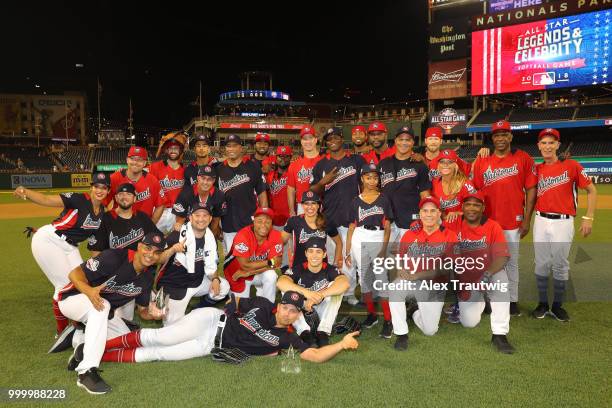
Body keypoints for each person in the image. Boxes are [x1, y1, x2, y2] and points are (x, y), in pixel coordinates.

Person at [57, 232, 183, 394]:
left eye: (157, 252)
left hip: (102, 312)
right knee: (103, 306)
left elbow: (143, 312)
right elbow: (74, 274)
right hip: (72, 298)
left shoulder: (145, 279)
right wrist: (90, 291)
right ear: (139, 246)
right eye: (147, 248)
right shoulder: (114, 257)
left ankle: (81, 346)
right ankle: (86, 372)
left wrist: (153, 314)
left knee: (125, 339)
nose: (151, 254)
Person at [97, 291, 359, 365]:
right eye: (285, 307)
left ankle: (101, 356)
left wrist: (341, 344)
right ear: (279, 305)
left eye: (294, 311)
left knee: (159, 354)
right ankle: (97, 348)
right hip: (210, 321)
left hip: (209, 345)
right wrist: (225, 305)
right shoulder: (262, 303)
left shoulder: (285, 339)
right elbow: (232, 301)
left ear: (297, 314)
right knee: (159, 337)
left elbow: (314, 356)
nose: (288, 313)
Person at [14, 172, 110, 337]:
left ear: (108, 190)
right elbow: (47, 200)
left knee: (82, 281)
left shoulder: (102, 211)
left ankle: (76, 323)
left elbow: (95, 246)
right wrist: (25, 192)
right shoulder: (79, 199)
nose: (100, 190)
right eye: (96, 186)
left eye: (104, 187)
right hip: (49, 240)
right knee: (64, 286)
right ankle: (62, 331)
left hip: (70, 247)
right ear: (91, 187)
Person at [470, 120, 537, 316]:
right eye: (497, 135)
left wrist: (526, 219)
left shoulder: (523, 158)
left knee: (511, 262)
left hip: (511, 221)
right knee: (487, 261)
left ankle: (512, 301)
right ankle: (489, 300)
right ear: (493, 138)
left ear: (510, 136)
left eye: (504, 134)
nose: (500, 138)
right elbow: (474, 189)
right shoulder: (483, 160)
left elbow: (531, 189)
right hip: (487, 221)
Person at [531, 128, 597, 322]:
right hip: (541, 220)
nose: (547, 146)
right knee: (541, 263)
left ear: (558, 145)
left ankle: (557, 306)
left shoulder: (572, 166)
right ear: (539, 146)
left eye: (552, 142)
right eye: (544, 142)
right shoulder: (537, 169)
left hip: (563, 222)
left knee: (560, 264)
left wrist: (589, 217)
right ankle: (542, 304)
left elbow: (591, 191)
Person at [445, 191, 515, 354]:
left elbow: (502, 257)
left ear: (483, 208)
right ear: (462, 207)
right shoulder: (454, 223)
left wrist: (486, 275)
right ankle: (481, 300)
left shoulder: (492, 226)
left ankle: (499, 334)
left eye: (476, 205)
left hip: (488, 273)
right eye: (468, 204)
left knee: (501, 283)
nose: (472, 208)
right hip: (466, 277)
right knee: (469, 322)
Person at [388, 197, 458, 351]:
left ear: (439, 213)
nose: (429, 214)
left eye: (433, 210)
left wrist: (418, 276)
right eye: (425, 211)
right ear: (420, 214)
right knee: (394, 289)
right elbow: (399, 256)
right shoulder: (410, 234)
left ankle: (413, 311)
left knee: (430, 331)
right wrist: (400, 268)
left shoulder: (449, 235)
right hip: (411, 281)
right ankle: (402, 334)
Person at [311, 127, 366, 305]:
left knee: (351, 258)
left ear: (342, 139)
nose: (332, 141)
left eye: (336, 137)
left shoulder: (356, 160)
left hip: (353, 218)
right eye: (329, 139)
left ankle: (349, 293)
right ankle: (335, 290)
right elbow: (312, 191)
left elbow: (366, 186)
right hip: (330, 219)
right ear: (325, 143)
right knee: (334, 257)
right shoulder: (320, 165)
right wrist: (322, 182)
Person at [157, 202, 230, 325]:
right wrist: (173, 249)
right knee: (173, 328)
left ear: (210, 218)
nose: (201, 219)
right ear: (190, 217)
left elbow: (210, 265)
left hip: (196, 281)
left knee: (223, 287)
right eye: (197, 215)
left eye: (205, 215)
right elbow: (158, 259)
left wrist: (215, 279)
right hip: (174, 286)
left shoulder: (210, 237)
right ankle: (164, 302)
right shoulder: (177, 236)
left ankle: (197, 310)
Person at [345, 163, 393, 337]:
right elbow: (351, 227)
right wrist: (347, 251)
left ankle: (388, 320)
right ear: (362, 179)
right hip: (359, 236)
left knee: (381, 278)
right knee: (364, 275)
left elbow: (387, 227)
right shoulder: (355, 201)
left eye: (375, 177)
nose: (372, 180)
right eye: (368, 177)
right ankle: (371, 315)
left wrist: (384, 248)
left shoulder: (384, 198)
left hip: (378, 237)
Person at [277, 241, 349, 347]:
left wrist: (321, 295)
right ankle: (304, 333)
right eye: (310, 251)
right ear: (306, 253)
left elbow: (345, 283)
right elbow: (281, 282)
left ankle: (323, 332)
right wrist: (307, 294)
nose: (314, 255)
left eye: (318, 252)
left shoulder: (330, 269)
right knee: (287, 290)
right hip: (303, 310)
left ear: (324, 254)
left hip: (323, 310)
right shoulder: (299, 268)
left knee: (337, 287)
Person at [378, 126, 431, 251]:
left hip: (410, 220)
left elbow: (425, 194)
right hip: (388, 220)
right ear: (395, 141)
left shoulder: (419, 165)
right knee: (386, 259)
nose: (404, 143)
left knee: (410, 258)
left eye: (408, 140)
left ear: (413, 142)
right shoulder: (383, 164)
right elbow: (377, 191)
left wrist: (425, 218)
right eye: (401, 139)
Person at [216, 134, 268, 254]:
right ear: (225, 149)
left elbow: (262, 194)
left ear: (241, 148)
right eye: (228, 146)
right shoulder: (219, 170)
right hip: (227, 223)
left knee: (251, 256)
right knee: (231, 259)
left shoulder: (253, 167)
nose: (231, 149)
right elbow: (215, 199)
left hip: (249, 221)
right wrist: (216, 224)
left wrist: (263, 217)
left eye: (235, 146)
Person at [223, 207, 282, 302]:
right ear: (253, 222)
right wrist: (270, 262)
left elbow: (277, 262)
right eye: (259, 221)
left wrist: (251, 272)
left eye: (267, 222)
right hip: (237, 273)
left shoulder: (275, 235)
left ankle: (267, 306)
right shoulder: (243, 236)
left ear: (271, 224)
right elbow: (245, 265)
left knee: (271, 276)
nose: (264, 225)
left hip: (252, 271)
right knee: (240, 309)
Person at [282, 191, 343, 272]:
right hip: (299, 269)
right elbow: (281, 242)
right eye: (306, 203)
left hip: (321, 269)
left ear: (318, 205)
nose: (310, 207)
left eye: (313, 203)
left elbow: (339, 243)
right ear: (302, 205)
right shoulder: (294, 221)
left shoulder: (326, 221)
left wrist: (335, 264)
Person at [104, 146, 166, 223]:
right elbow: (103, 203)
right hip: (120, 225)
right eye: (132, 158)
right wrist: (110, 222)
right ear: (127, 160)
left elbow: (160, 205)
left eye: (140, 160)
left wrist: (151, 225)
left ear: (144, 163)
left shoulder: (152, 180)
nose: (135, 162)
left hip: (143, 227)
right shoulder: (114, 178)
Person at [149, 132, 187, 234]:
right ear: (166, 150)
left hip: (177, 211)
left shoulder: (185, 170)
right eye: (170, 148)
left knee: (177, 241)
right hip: (159, 210)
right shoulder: (155, 167)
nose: (173, 151)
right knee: (151, 239)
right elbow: (139, 174)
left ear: (180, 151)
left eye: (176, 148)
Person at [172, 165, 226, 237]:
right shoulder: (185, 193)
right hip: (188, 228)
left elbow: (215, 221)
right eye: (203, 178)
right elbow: (180, 220)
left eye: (209, 179)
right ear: (198, 178)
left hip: (207, 229)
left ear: (214, 180)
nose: (205, 182)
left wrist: (211, 238)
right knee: (176, 230)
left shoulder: (219, 195)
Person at [266, 145, 293, 270]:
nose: (283, 159)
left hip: (290, 219)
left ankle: (290, 278)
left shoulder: (293, 173)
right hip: (275, 220)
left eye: (286, 156)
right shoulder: (270, 175)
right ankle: (274, 277)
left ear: (290, 157)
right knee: (275, 251)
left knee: (291, 252)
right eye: (280, 156)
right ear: (276, 157)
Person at [287, 126, 322, 216]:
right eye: (305, 139)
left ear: (316, 140)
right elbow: (291, 189)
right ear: (301, 142)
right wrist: (291, 211)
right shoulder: (294, 164)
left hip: (322, 205)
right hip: (302, 206)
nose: (308, 142)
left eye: (311, 138)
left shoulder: (325, 160)